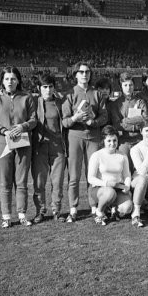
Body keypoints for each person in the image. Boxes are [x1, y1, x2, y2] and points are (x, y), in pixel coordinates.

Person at [0, 66, 37, 228]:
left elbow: (34, 120)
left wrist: (24, 126)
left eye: (13, 78)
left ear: (18, 80)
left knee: (21, 182)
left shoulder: (27, 97)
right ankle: (6, 216)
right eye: (7, 79)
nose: (10, 82)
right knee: (5, 182)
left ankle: (22, 214)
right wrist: (4, 131)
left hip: (23, 143)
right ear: (2, 81)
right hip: (3, 144)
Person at [62, 62, 109, 223]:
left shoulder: (97, 94)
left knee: (93, 174)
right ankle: (73, 209)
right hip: (74, 137)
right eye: (81, 72)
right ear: (75, 74)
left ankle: (94, 207)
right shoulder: (69, 94)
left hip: (93, 137)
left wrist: (92, 123)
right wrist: (75, 118)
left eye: (87, 72)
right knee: (74, 176)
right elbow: (65, 122)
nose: (84, 74)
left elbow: (104, 117)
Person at [31, 74, 67, 223]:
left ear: (54, 87)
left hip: (58, 147)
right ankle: (40, 211)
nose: (47, 89)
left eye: (50, 86)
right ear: (39, 88)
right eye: (44, 87)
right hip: (39, 146)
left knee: (57, 181)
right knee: (39, 182)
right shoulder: (33, 101)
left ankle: (56, 211)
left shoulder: (60, 102)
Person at [87, 125, 133, 225]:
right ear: (103, 140)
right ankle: (99, 212)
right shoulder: (97, 155)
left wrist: (127, 186)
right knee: (110, 193)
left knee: (127, 208)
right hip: (101, 189)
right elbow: (90, 178)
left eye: (114, 140)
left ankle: (113, 207)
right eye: (109, 141)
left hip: (118, 188)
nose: (112, 143)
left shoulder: (122, 155)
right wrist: (106, 183)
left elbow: (127, 175)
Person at [109, 72, 148, 173]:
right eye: (125, 85)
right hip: (124, 142)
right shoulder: (116, 104)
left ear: (134, 86)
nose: (128, 87)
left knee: (142, 171)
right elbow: (117, 124)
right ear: (121, 86)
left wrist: (126, 120)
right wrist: (135, 124)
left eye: (130, 85)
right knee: (125, 171)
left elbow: (145, 119)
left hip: (140, 140)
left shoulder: (140, 102)